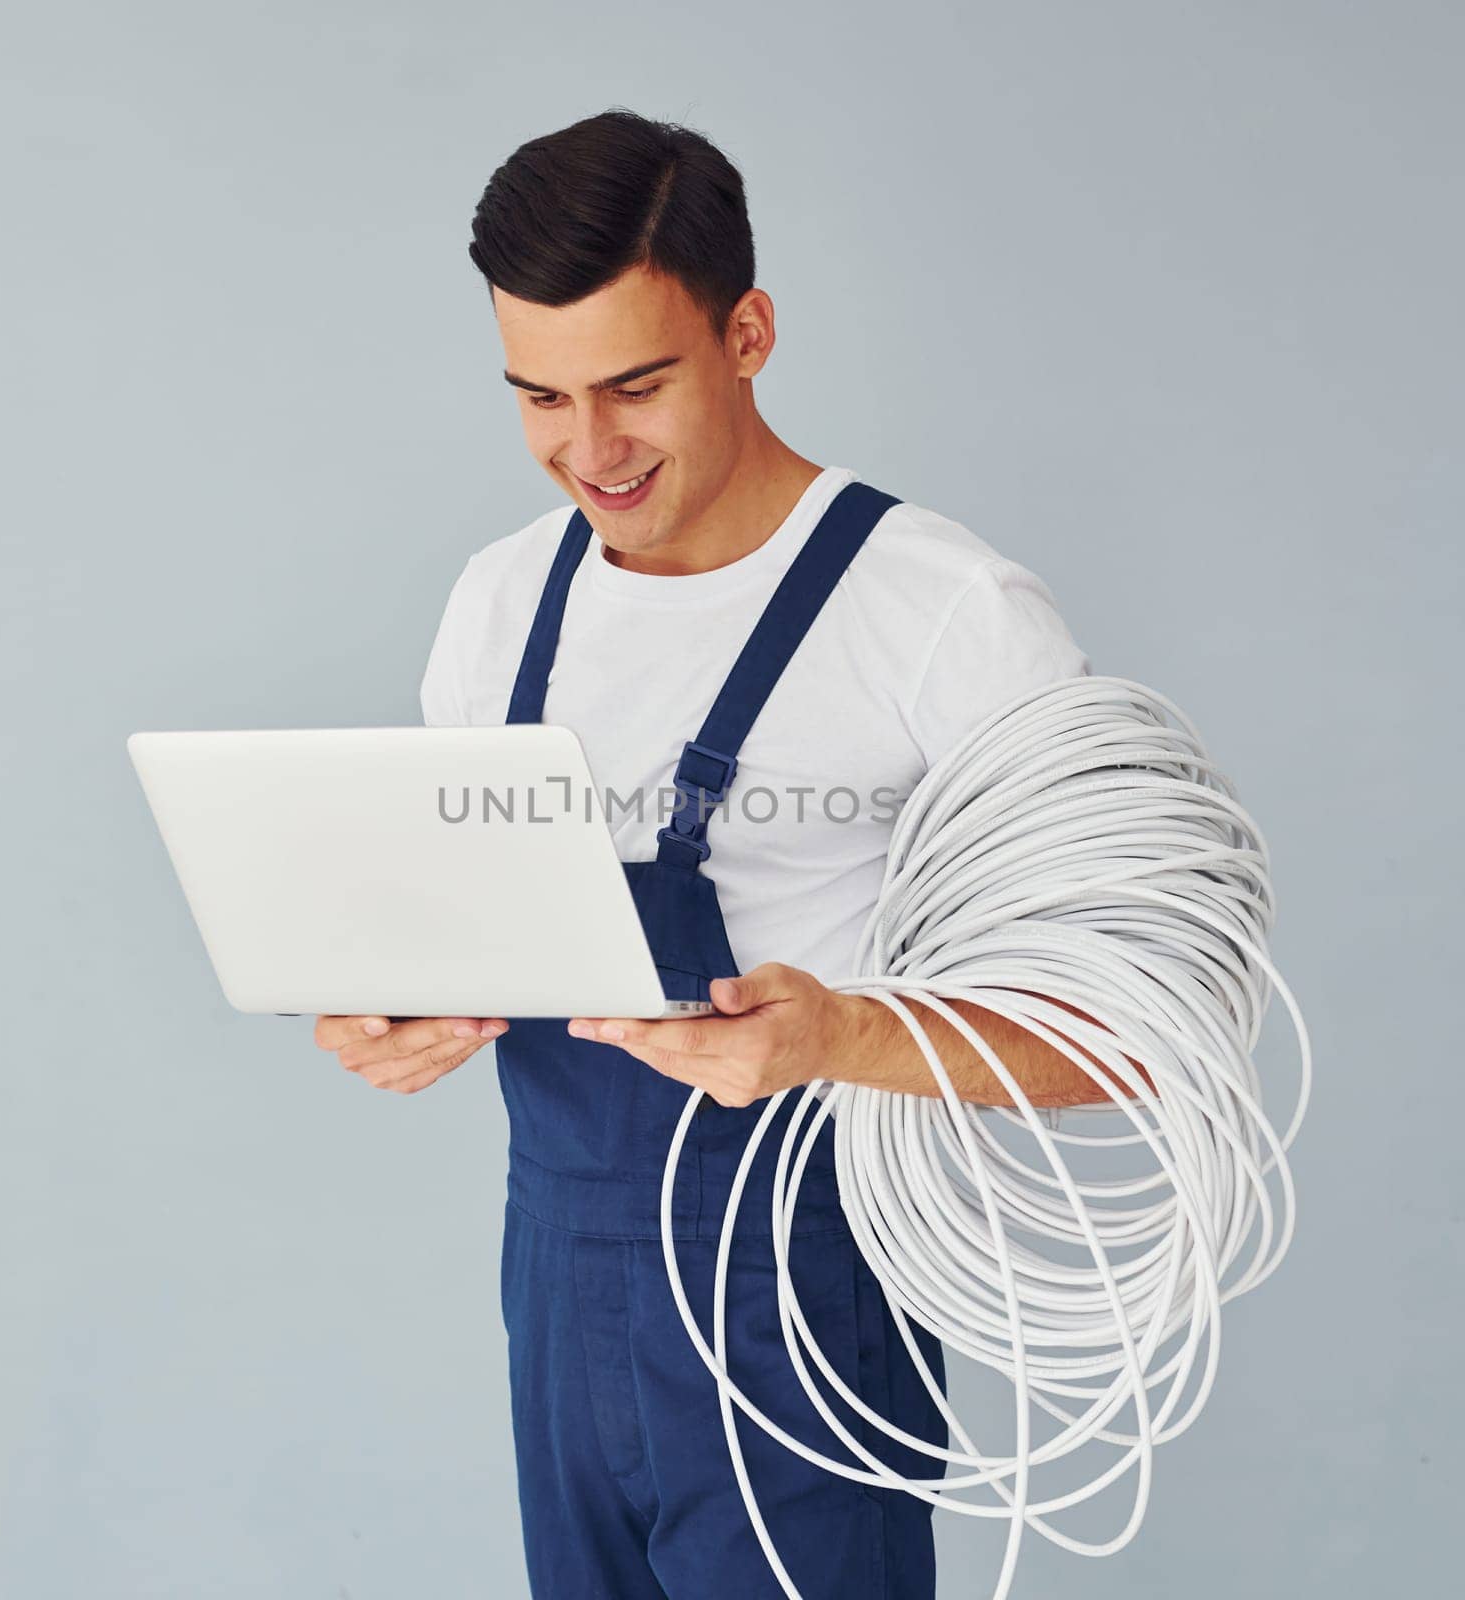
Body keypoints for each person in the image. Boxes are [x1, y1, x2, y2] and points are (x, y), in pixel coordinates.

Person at [316, 108, 1118, 1600]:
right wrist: (388, 1010)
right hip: (556, 1281)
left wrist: (847, 1035)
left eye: (637, 384)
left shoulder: (943, 613)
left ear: (747, 331)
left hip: (803, 1292)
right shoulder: (497, 608)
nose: (591, 449)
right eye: (539, 398)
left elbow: (1126, 1039)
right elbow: (441, 937)